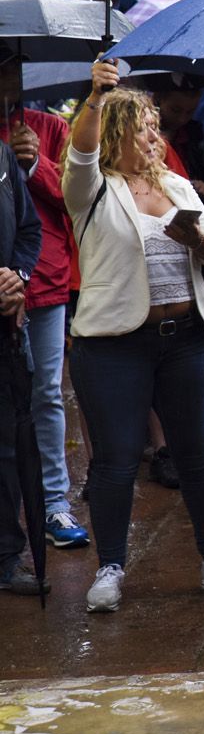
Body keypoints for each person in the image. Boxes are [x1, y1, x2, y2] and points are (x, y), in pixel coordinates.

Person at [63, 61, 204, 614]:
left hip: (185, 337)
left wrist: (199, 240)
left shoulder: (177, 184)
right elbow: (82, 153)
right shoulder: (90, 189)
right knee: (115, 460)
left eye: (153, 128)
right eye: (140, 128)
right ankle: (111, 566)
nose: (152, 137)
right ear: (117, 133)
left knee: (199, 454)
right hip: (115, 343)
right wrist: (96, 96)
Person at [0, 53, 86, 550]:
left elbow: (75, 201)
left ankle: (54, 502)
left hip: (45, 283)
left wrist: (36, 164)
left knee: (46, 395)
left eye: (16, 67)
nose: (11, 76)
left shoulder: (49, 127)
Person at [0, 129, 42, 596]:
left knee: (8, 443)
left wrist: (17, 276)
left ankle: (6, 555)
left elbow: (30, 229)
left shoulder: (2, 156)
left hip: (6, 327)